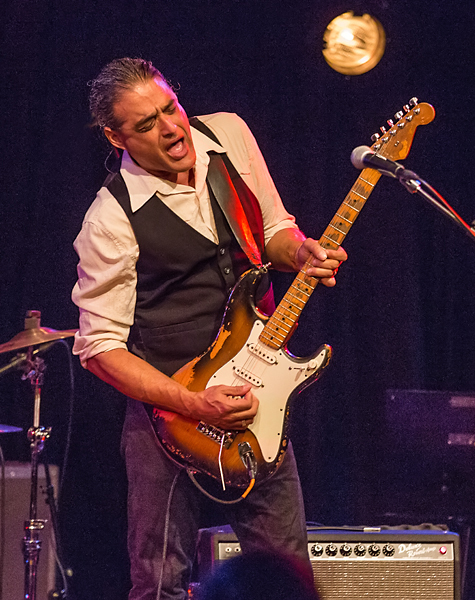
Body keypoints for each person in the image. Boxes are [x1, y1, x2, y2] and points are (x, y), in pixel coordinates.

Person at [72, 57, 347, 600]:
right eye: (147, 123)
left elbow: (273, 229)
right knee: (160, 583)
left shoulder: (228, 135)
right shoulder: (109, 218)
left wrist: (300, 252)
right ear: (116, 137)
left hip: (257, 400)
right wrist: (194, 403)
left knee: (287, 578)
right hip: (170, 418)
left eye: (170, 107)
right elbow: (100, 348)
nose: (172, 128)